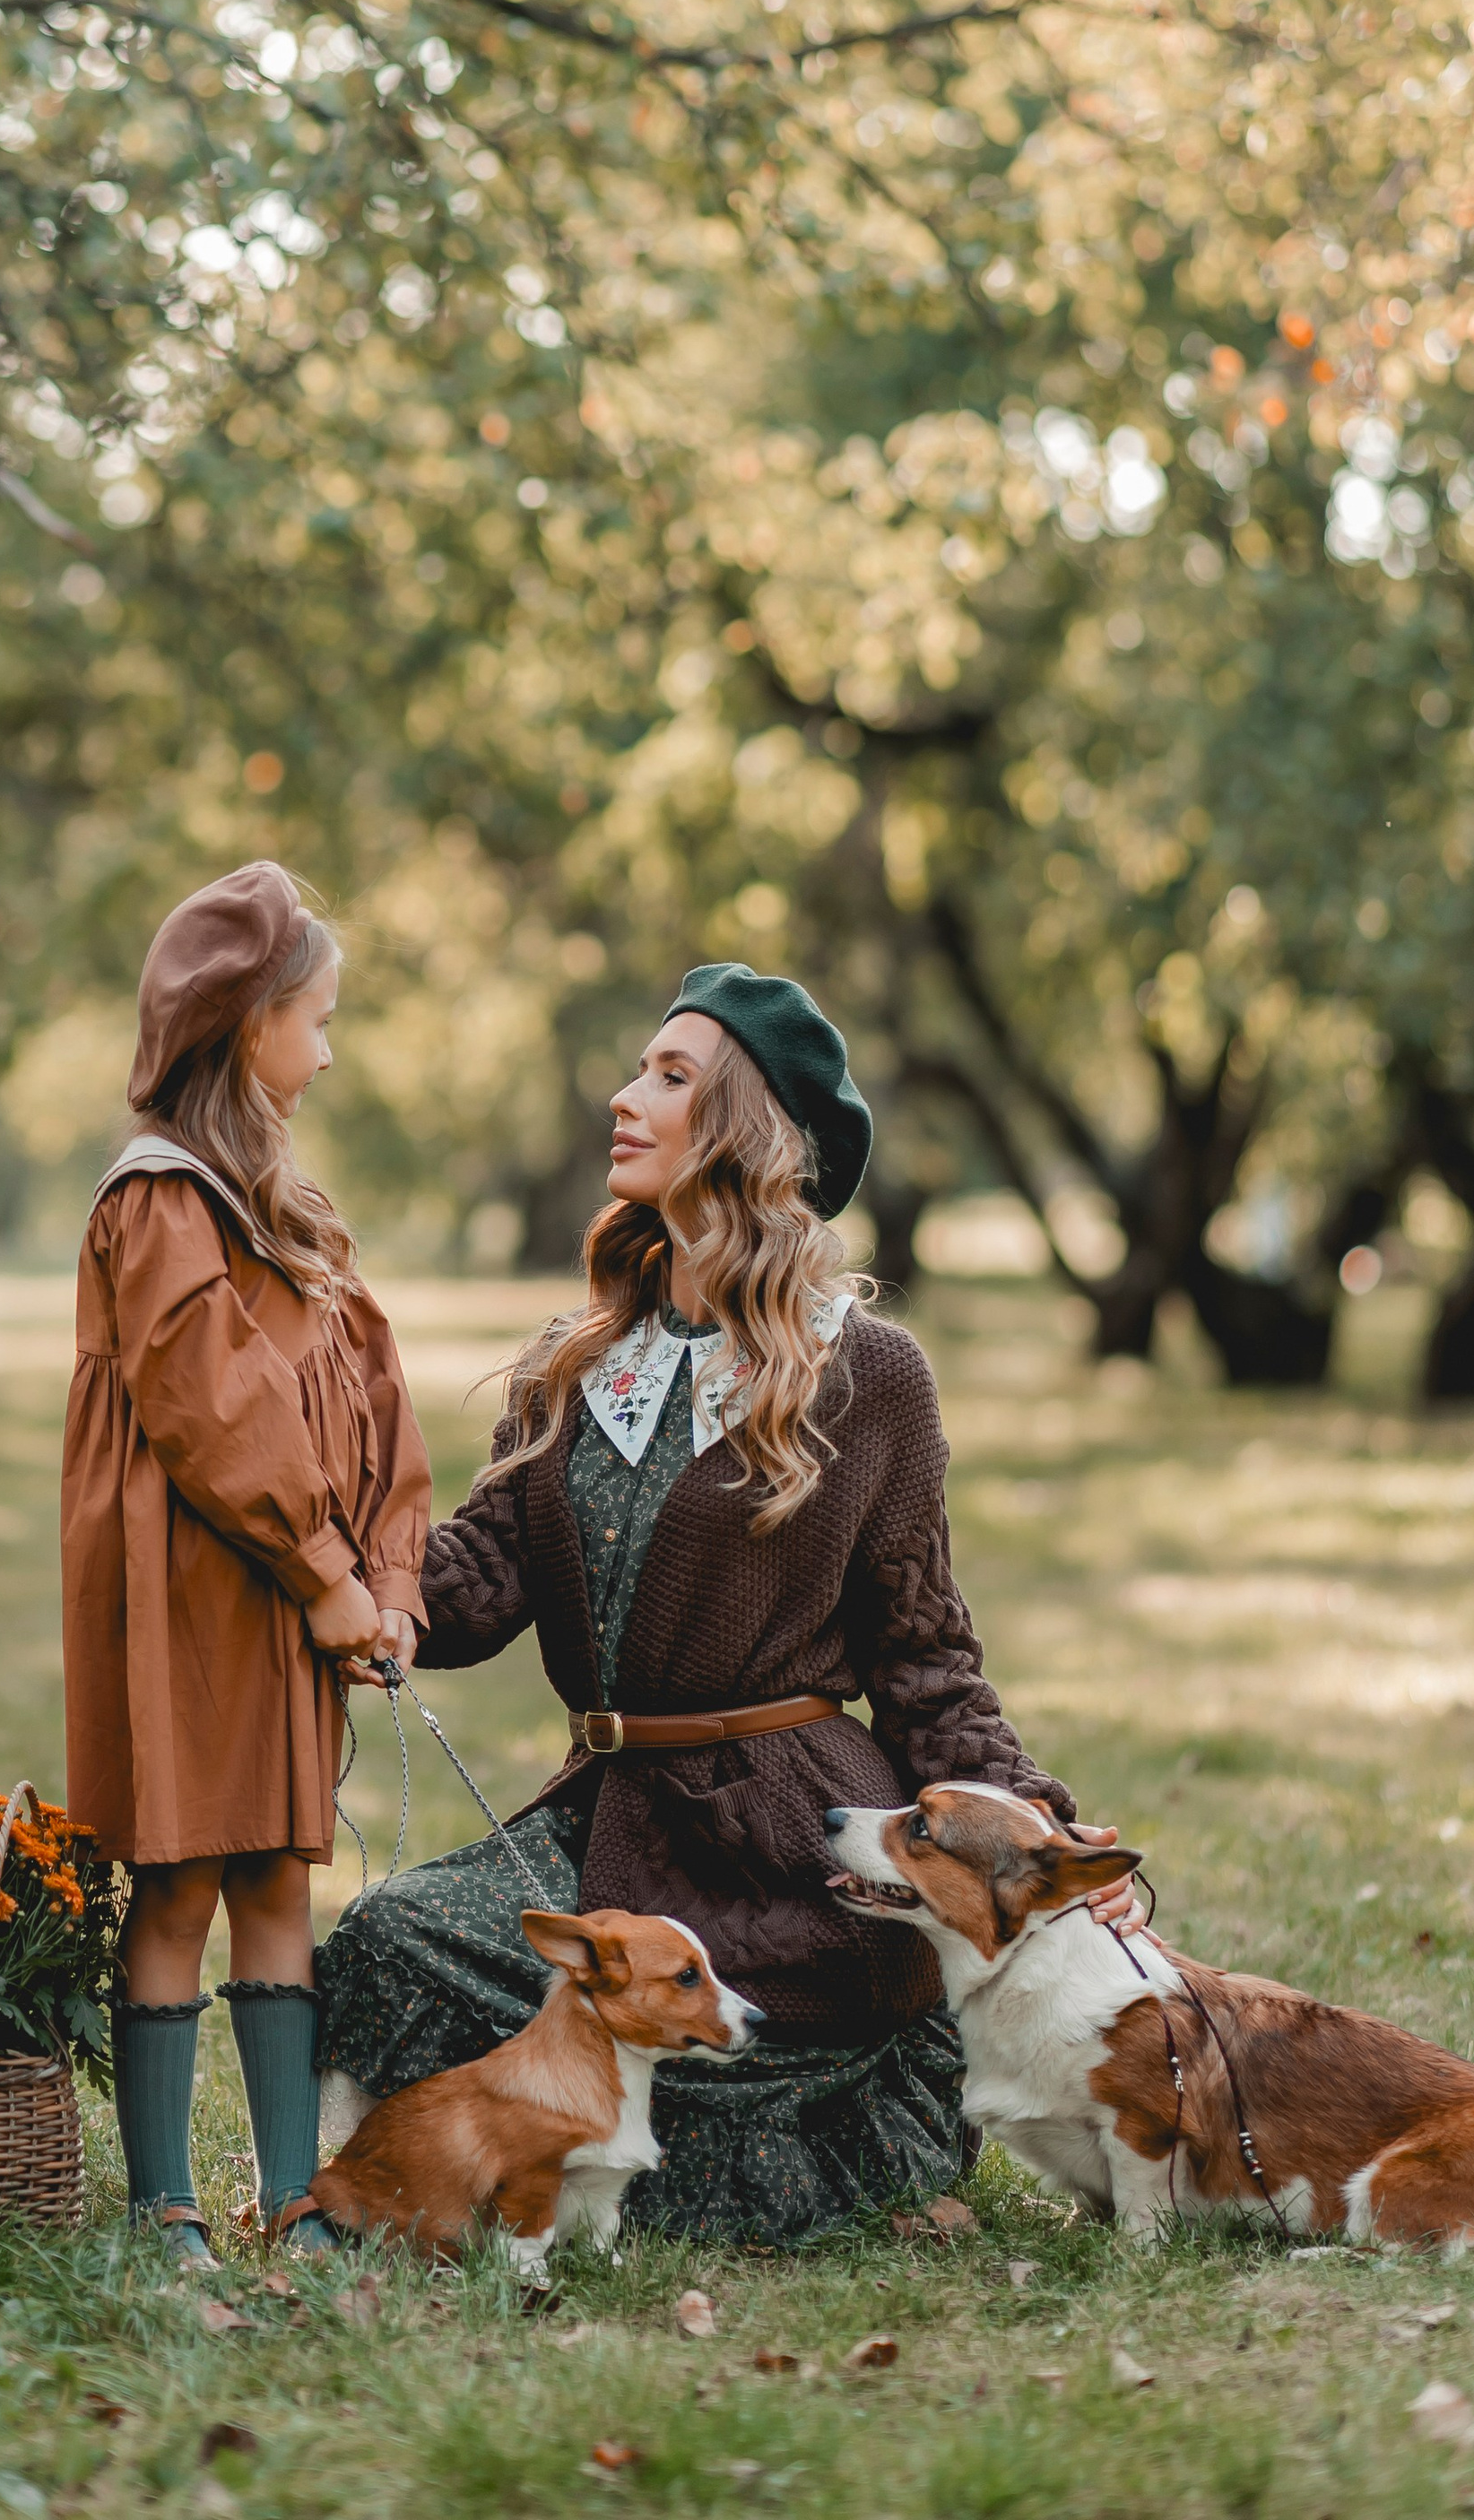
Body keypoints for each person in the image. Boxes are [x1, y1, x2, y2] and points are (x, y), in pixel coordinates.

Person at [316, 961, 1135, 2247]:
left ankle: (767, 2145)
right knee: (387, 1939)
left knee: (712, 2024)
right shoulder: (575, 1362)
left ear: (748, 1130)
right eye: (641, 1068)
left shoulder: (868, 1374)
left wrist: (1046, 1840)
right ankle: (476, 2173)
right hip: (613, 1828)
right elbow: (477, 1581)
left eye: (670, 1076)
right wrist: (364, 1584)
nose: (625, 1096)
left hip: (790, 1845)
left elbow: (926, 1656)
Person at [63, 862, 429, 2261]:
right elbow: (217, 1412)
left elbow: (376, 1401)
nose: (329, 1052)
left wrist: (386, 1579)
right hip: (194, 1592)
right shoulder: (158, 1201)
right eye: (318, 1020)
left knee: (280, 1872)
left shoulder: (297, 1211)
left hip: (304, 1593)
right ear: (246, 1022)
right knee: (180, 1879)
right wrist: (327, 1573)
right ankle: (163, 2205)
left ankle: (296, 2197)